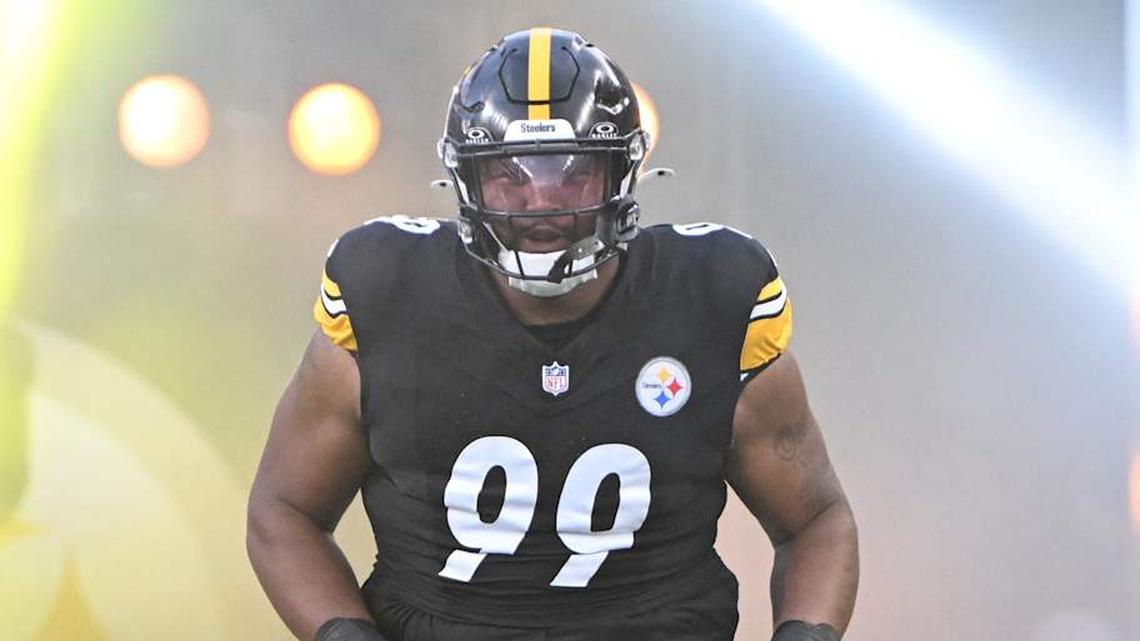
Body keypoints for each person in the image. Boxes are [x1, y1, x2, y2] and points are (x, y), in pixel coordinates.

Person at [247, 27, 858, 641]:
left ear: (622, 173)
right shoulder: (385, 288)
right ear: (466, 181)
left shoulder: (714, 294)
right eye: (509, 175)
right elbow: (285, 510)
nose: (541, 202)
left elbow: (815, 521)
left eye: (574, 174)